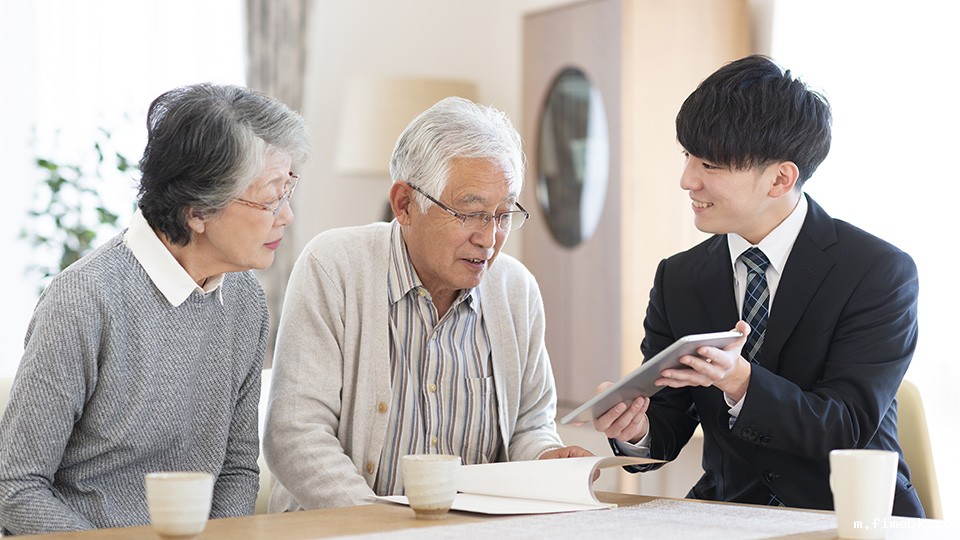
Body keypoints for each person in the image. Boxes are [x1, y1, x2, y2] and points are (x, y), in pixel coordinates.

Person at [592, 55, 924, 517]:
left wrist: (740, 381)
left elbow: (844, 426)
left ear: (780, 178)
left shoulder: (878, 272)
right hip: (727, 517)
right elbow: (666, 425)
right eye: (687, 156)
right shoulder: (679, 277)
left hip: (850, 517)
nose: (687, 179)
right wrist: (635, 430)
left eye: (709, 164)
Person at [0, 83, 309, 535]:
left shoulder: (244, 298)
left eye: (288, 190)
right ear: (197, 211)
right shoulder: (85, 299)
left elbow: (238, 469)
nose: (286, 216)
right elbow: (16, 486)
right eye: (269, 198)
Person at [264, 96, 591, 511]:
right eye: (470, 214)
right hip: (344, 532)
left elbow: (529, 426)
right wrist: (381, 527)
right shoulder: (334, 267)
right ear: (405, 205)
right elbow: (295, 435)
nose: (489, 239)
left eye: (504, 215)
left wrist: (547, 458)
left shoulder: (515, 290)